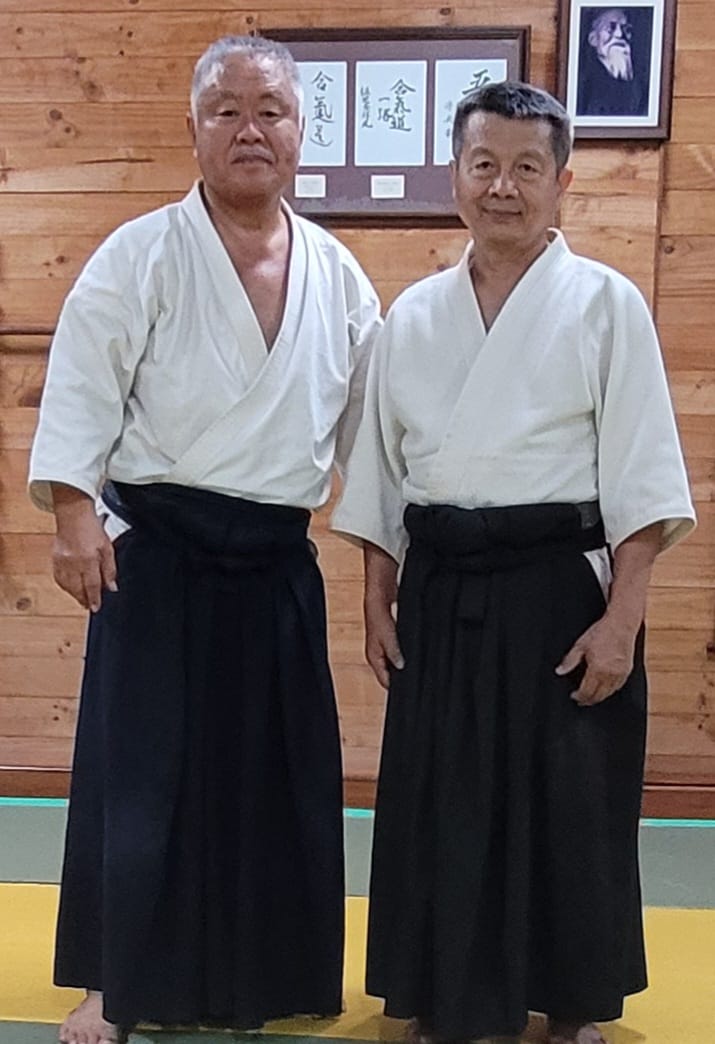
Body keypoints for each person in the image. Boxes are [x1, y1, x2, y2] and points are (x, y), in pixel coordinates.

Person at [28, 34, 381, 1044]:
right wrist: (70, 512)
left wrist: (382, 568)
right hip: (161, 556)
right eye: (226, 110)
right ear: (192, 130)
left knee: (277, 780)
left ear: (302, 134)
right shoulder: (137, 255)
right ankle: (112, 979)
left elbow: (369, 440)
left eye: (269, 110)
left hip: (276, 563)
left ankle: (265, 972)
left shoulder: (340, 277)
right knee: (140, 777)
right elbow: (83, 387)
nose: (249, 129)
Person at [333, 82, 694, 1044]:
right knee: (440, 799)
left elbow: (644, 483)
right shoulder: (411, 315)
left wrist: (623, 621)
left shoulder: (605, 306)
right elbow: (377, 480)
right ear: (455, 174)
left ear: (561, 182)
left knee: (571, 806)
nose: (503, 187)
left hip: (558, 590)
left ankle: (571, 1000)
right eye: (484, 164)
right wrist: (375, 600)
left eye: (526, 167)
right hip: (442, 587)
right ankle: (446, 993)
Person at [577, 7, 649, 117]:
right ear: (593, 39)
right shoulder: (583, 82)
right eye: (611, 28)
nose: (619, 35)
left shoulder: (640, 84)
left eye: (627, 29)